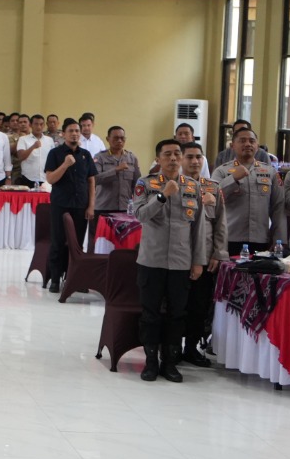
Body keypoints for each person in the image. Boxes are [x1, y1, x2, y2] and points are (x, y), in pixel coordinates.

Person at [131, 140, 204, 382]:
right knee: (150, 313)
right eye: (167, 154)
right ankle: (151, 361)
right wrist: (162, 196)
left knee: (177, 314)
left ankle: (170, 362)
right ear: (158, 159)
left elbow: (198, 228)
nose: (173, 158)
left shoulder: (193, 186)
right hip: (152, 260)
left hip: (181, 261)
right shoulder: (145, 184)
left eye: (177, 154)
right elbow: (141, 215)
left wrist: (198, 261)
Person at [180, 141, 225, 368]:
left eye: (199, 157)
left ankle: (191, 348)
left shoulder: (213, 188)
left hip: (205, 256)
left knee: (199, 306)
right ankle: (171, 347)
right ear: (181, 159)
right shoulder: (172, 186)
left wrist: (218, 253)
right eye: (189, 157)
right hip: (178, 255)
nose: (195, 161)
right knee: (176, 305)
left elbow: (220, 223)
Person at [42, 119, 95, 294]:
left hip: (80, 205)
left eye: (77, 131)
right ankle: (55, 279)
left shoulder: (86, 155)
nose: (75, 134)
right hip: (60, 204)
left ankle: (74, 278)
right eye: (71, 131)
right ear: (63, 134)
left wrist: (91, 206)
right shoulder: (55, 154)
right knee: (58, 242)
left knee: (77, 244)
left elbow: (91, 181)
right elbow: (50, 179)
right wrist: (65, 164)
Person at [212, 128, 283, 255]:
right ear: (232, 146)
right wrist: (233, 179)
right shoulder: (221, 171)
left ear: (257, 146)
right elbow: (212, 198)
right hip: (230, 238)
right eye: (242, 141)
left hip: (261, 238)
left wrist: (279, 239)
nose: (248, 144)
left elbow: (278, 207)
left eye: (252, 141)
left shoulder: (270, 172)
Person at [92, 126, 142, 227]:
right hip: (104, 207)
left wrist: (138, 204)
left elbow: (137, 183)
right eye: (116, 138)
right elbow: (95, 179)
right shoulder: (100, 157)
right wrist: (116, 170)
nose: (119, 141)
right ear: (108, 139)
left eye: (122, 138)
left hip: (125, 208)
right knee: (102, 236)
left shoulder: (131, 158)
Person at [14, 114, 54, 188]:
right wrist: (33, 147)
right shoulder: (23, 139)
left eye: (41, 124)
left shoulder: (49, 140)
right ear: (30, 125)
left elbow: (53, 159)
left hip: (45, 179)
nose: (39, 127)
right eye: (36, 124)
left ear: (44, 125)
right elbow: (20, 156)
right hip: (28, 178)